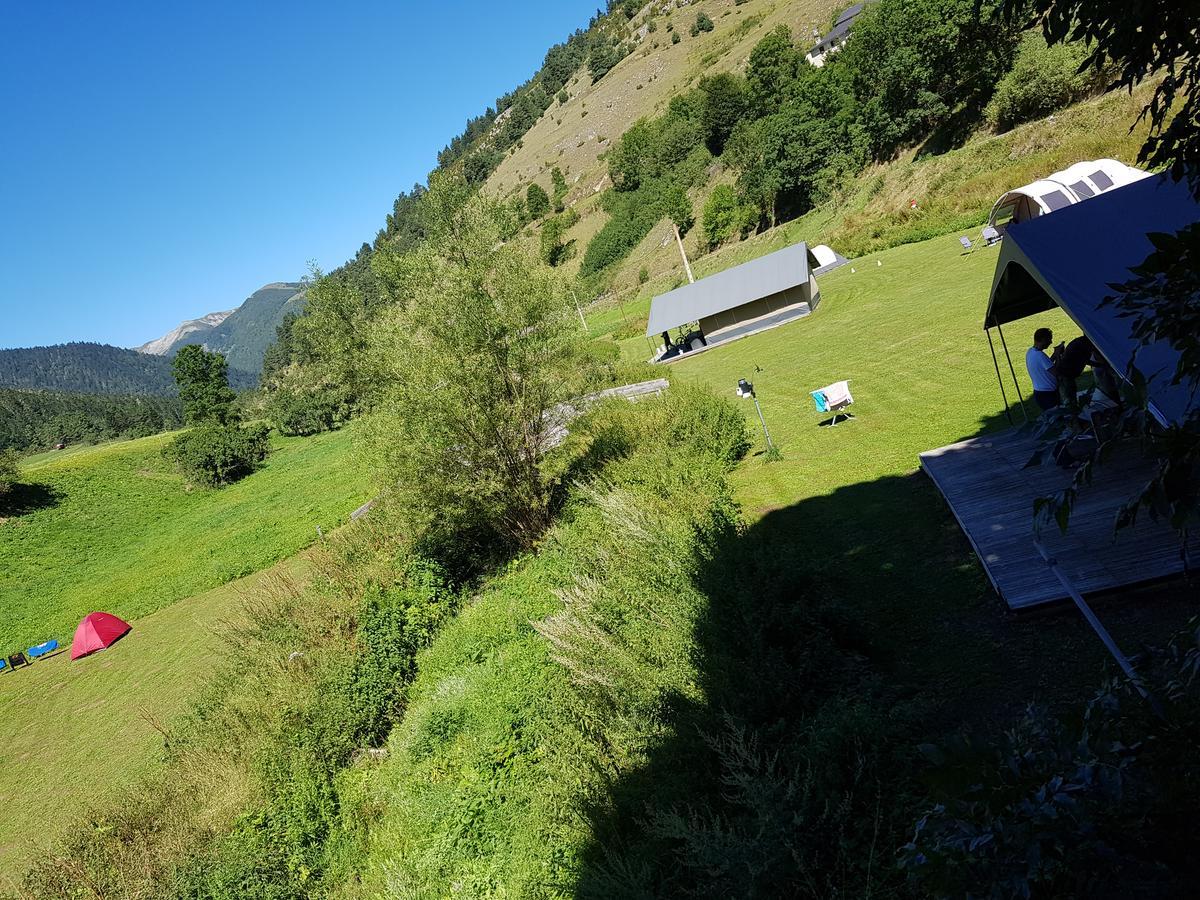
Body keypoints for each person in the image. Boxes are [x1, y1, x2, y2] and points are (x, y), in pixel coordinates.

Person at [1026, 327, 1063, 411]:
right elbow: (1057, 372)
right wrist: (1058, 356)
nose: (1051, 342)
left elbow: (1046, 365)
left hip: (1041, 394)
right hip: (1048, 395)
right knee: (1057, 419)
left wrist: (1055, 354)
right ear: (1043, 339)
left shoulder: (1030, 352)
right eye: (1049, 339)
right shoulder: (1040, 355)